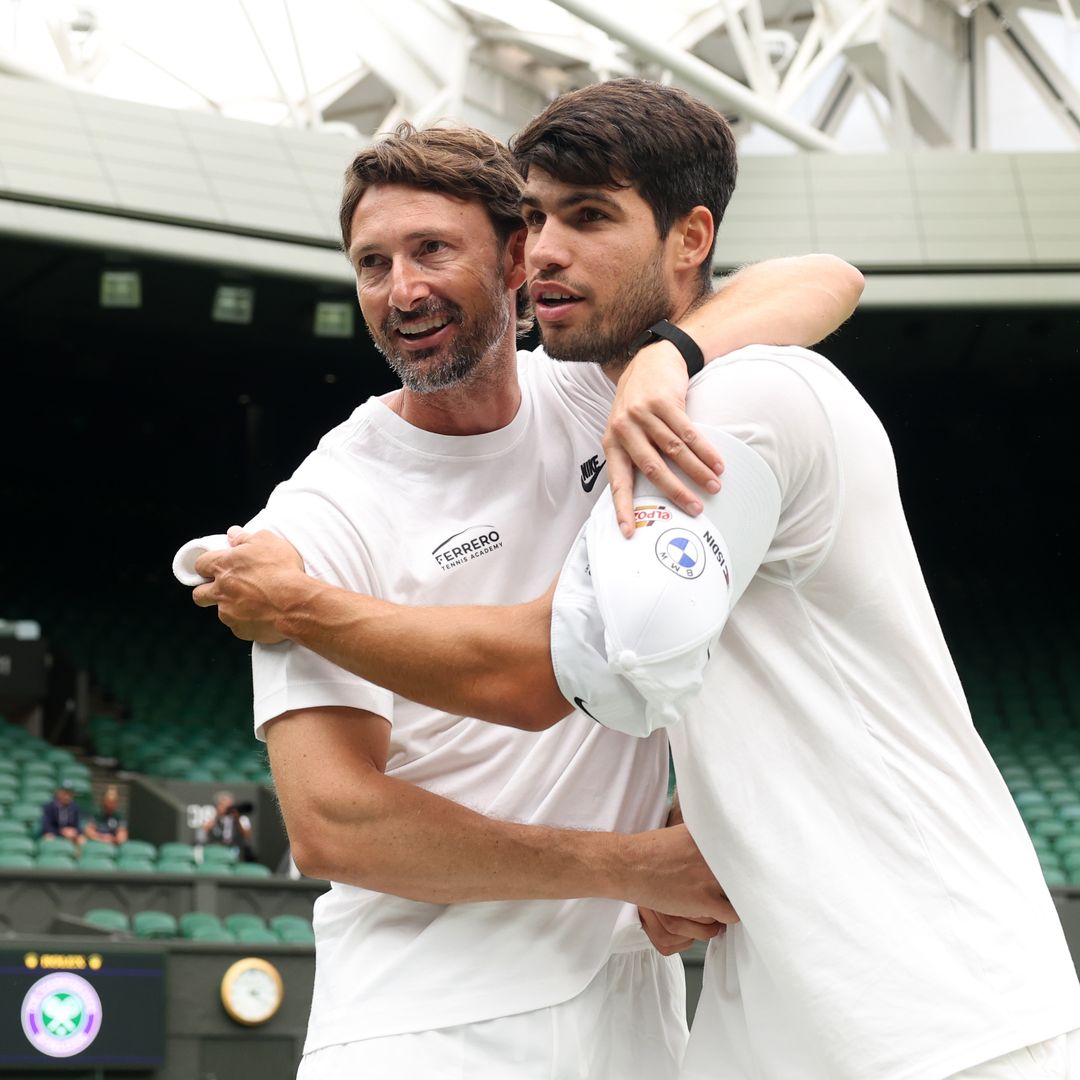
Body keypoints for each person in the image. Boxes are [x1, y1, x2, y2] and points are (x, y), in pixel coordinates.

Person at [195, 80, 1080, 1080]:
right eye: (372, 263)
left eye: (437, 249)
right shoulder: (315, 515)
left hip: (852, 1012)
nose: (403, 289)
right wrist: (630, 857)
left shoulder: (667, 400)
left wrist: (670, 356)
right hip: (436, 1022)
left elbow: (826, 275)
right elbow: (326, 822)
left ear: (507, 263)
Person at [195, 790, 253, 861]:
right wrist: (218, 816)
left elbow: (247, 836)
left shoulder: (241, 818)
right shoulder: (211, 816)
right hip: (216, 848)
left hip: (235, 848)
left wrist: (237, 819)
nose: (227, 808)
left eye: (229, 805)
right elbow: (203, 831)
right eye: (223, 805)